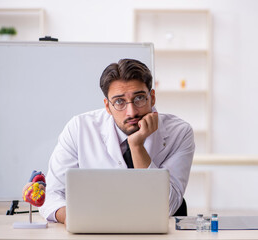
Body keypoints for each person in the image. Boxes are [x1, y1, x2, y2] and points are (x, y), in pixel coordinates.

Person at [39, 58, 195, 224]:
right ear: (107, 106)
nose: (131, 112)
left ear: (152, 97)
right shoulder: (79, 128)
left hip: (153, 232)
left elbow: (167, 206)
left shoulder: (179, 132)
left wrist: (136, 145)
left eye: (140, 98)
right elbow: (51, 195)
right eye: (119, 101)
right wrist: (82, 220)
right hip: (95, 230)